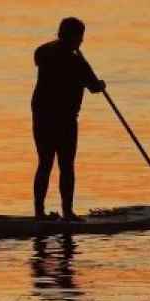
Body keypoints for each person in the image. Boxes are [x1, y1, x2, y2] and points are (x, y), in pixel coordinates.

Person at [32, 18, 105, 221]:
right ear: (74, 37)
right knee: (66, 165)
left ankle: (39, 212)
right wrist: (101, 84)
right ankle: (67, 212)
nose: (82, 41)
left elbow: (42, 58)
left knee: (44, 163)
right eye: (80, 37)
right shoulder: (76, 62)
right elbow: (94, 88)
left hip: (41, 115)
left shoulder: (43, 51)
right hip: (63, 119)